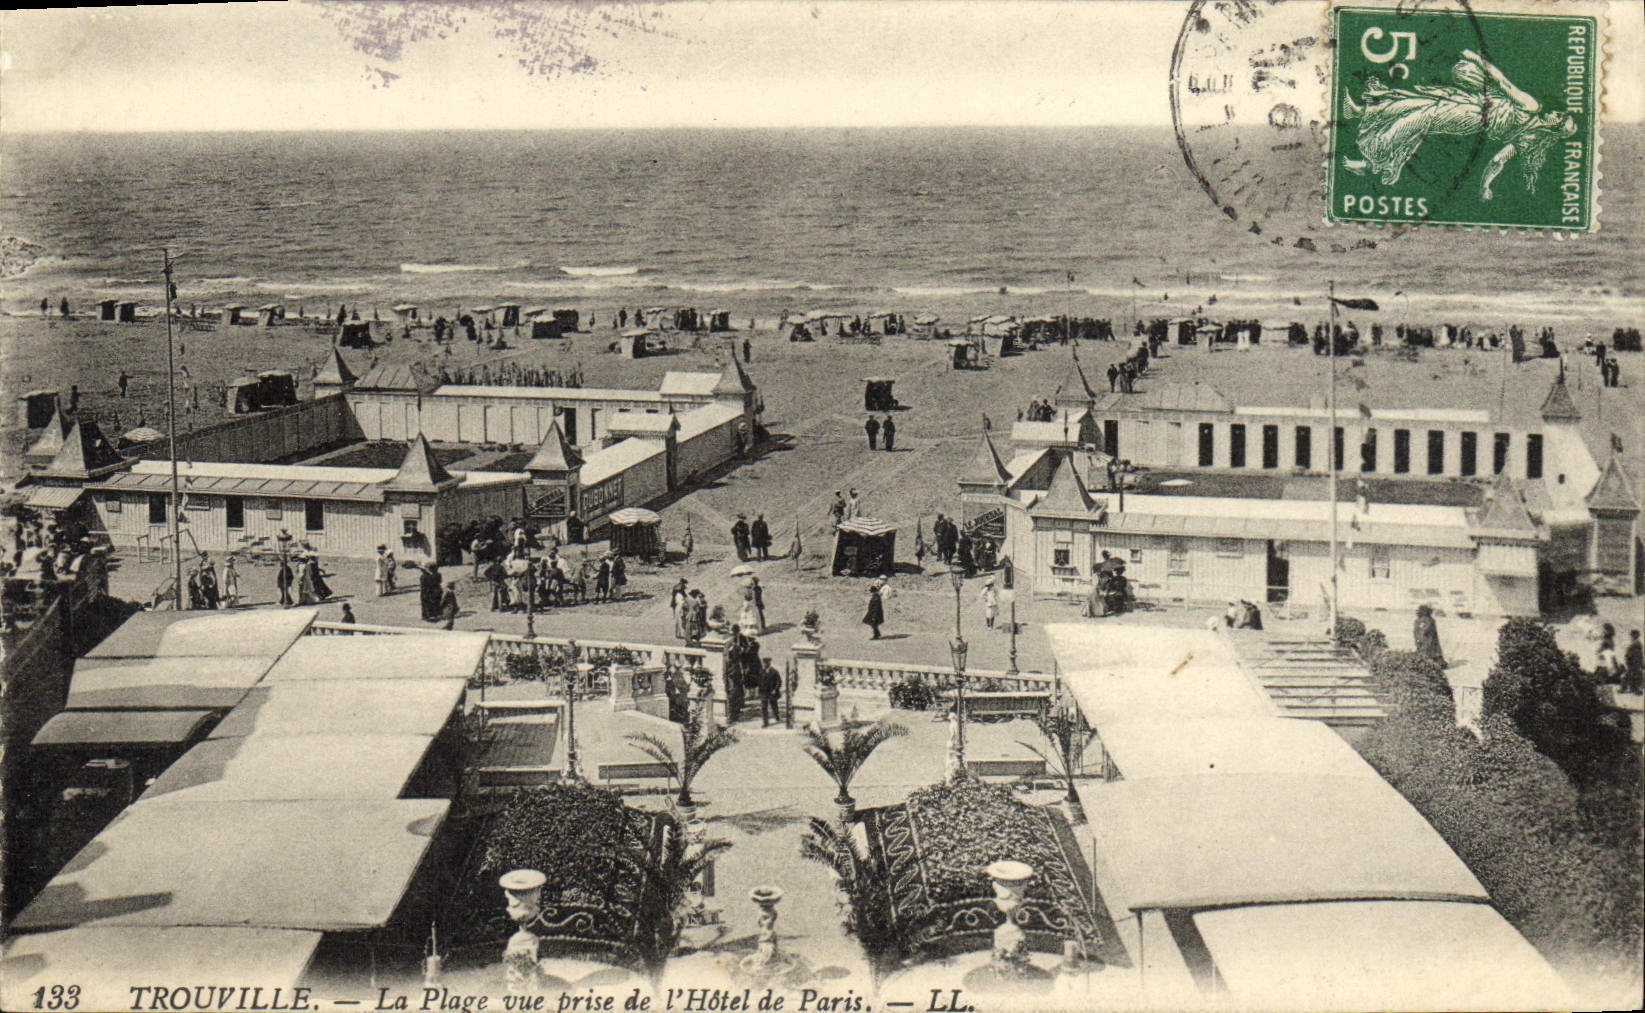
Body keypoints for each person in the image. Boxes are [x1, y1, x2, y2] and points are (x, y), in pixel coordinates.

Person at [1413, 604, 1445, 668]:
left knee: (1427, 652)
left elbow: (1423, 630)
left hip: (1427, 640)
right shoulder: (1429, 619)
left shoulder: (1425, 620)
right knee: (1432, 653)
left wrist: (1419, 639)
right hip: (1428, 640)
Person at [759, 657, 782, 728]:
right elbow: (759, 681)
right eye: (764, 663)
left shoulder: (774, 671)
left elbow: (779, 682)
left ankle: (777, 716)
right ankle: (765, 722)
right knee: (764, 707)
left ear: (769, 663)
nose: (765, 664)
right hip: (764, 692)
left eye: (766, 663)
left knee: (774, 705)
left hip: (772, 692)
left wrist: (775, 689)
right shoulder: (761, 671)